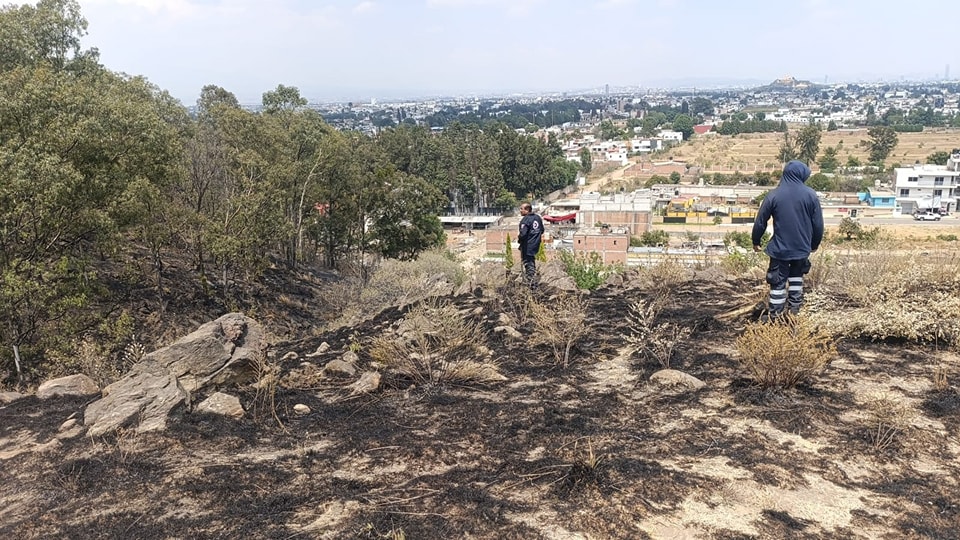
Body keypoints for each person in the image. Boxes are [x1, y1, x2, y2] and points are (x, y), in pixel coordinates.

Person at [752, 160, 824, 318]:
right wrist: (814, 244)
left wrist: (756, 241)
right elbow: (818, 224)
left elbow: (760, 221)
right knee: (796, 278)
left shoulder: (774, 195)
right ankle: (794, 313)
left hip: (780, 249)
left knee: (777, 282)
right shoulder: (811, 195)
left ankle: (775, 319)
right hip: (801, 248)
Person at [517, 202, 544, 288]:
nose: (520, 210)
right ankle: (531, 281)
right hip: (535, 244)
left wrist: (519, 240)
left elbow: (523, 234)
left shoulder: (525, 220)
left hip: (527, 245)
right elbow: (541, 230)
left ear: (527, 210)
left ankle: (532, 284)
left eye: (522, 209)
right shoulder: (538, 218)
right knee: (531, 261)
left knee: (528, 263)